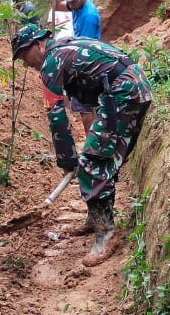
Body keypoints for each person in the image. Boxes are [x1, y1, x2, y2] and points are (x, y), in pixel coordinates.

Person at [11, 24, 152, 267]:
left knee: (92, 161)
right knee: (100, 155)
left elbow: (56, 115)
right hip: (131, 85)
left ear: (38, 44)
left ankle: (105, 234)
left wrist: (68, 160)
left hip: (123, 91)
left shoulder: (51, 62)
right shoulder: (63, 47)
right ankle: (94, 218)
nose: (26, 62)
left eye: (25, 55)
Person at [48, 0, 102, 132]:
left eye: (72, 1)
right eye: (69, 1)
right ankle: (94, 145)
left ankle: (89, 147)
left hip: (87, 63)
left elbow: (85, 48)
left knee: (85, 108)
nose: (70, 5)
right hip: (84, 56)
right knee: (89, 107)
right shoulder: (77, 7)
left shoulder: (89, 16)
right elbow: (56, 6)